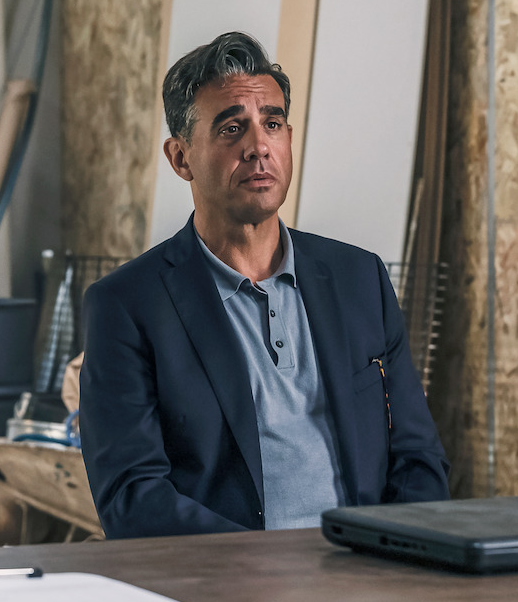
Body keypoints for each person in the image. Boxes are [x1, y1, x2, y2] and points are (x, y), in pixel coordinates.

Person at [79, 31, 449, 540]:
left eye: (271, 124)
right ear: (180, 157)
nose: (258, 147)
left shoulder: (360, 280)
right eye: (232, 128)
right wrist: (263, 570)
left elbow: (418, 458)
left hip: (366, 578)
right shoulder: (128, 306)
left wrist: (395, 557)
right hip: (229, 590)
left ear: (289, 140)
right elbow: (132, 498)